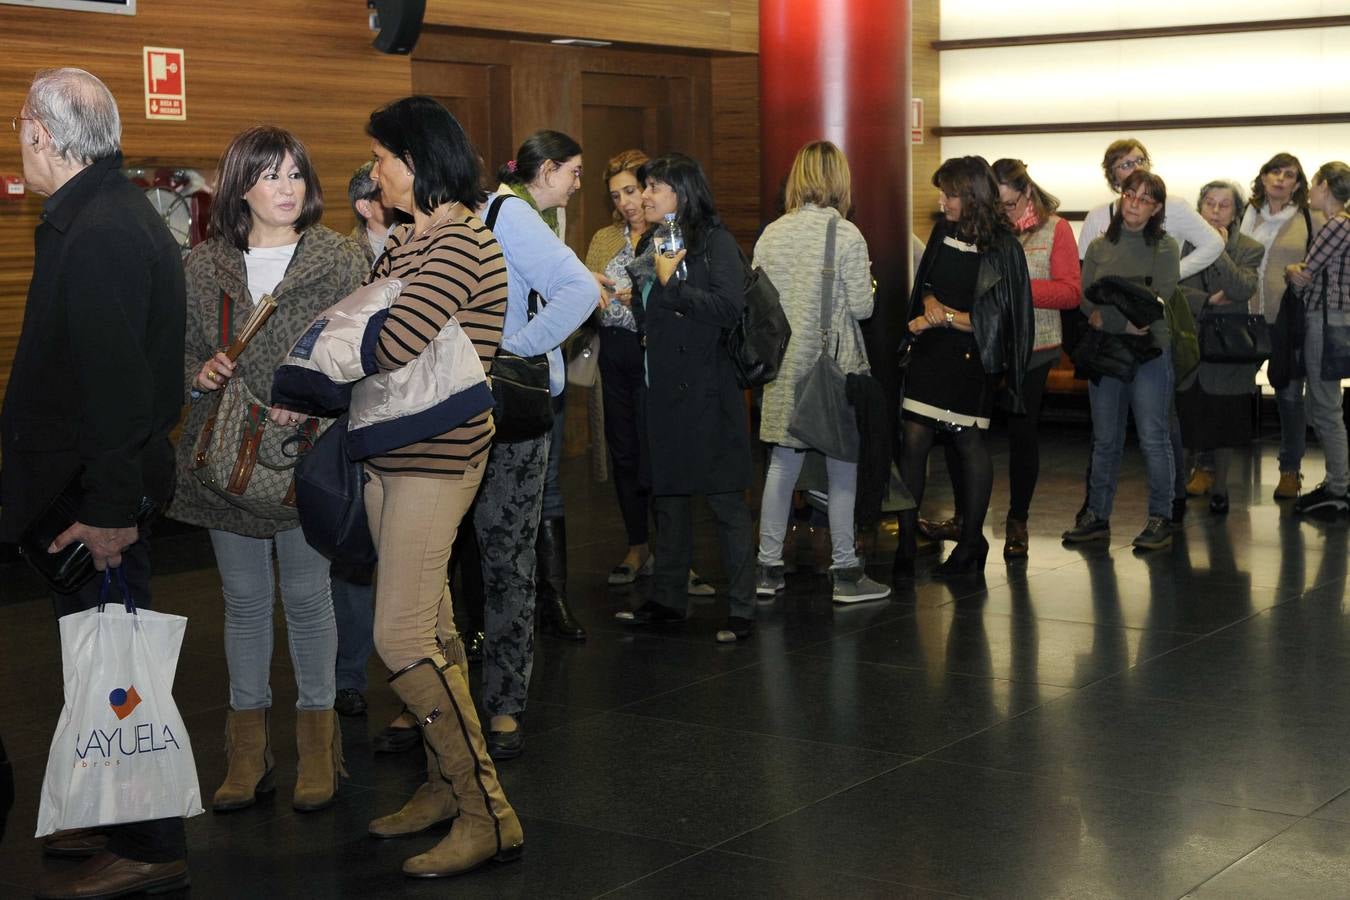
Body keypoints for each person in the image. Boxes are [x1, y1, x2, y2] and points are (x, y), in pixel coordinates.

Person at [3, 66, 188, 900]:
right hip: (82, 486)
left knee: (119, 668)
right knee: (95, 660)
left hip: (97, 497)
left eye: (20, 134)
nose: (20, 149)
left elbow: (121, 389)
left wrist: (112, 512)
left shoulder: (103, 228)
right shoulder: (99, 213)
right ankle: (109, 808)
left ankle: (149, 844)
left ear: (41, 134)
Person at [168, 125, 367, 815]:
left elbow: (363, 354)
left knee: (310, 600)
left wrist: (314, 399)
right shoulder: (202, 267)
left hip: (306, 459)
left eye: (296, 175)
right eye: (270, 174)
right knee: (244, 601)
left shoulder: (339, 259)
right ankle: (246, 752)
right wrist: (198, 373)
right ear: (239, 187)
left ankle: (319, 744)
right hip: (226, 459)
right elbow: (177, 357)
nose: (287, 188)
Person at [362, 95, 524, 876]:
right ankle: (438, 784)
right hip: (390, 450)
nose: (375, 172)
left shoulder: (460, 240)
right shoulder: (408, 239)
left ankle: (484, 810)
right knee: (433, 628)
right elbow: (372, 322)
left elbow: (388, 337)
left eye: (384, 159)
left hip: (435, 452)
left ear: (418, 162)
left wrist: (339, 335)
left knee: (398, 636)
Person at [468, 131, 599, 760]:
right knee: (506, 552)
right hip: (507, 403)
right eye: (573, 172)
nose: (578, 182)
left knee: (501, 550)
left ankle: (500, 701)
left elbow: (572, 290)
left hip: (503, 399)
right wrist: (522, 345)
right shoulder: (514, 213)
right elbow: (579, 292)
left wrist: (517, 345)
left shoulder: (510, 211)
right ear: (545, 170)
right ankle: (502, 705)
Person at [615, 152, 758, 641]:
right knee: (668, 498)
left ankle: (742, 608)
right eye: (643, 187)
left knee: (725, 503)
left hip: (707, 390)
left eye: (653, 187)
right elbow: (654, 314)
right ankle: (668, 598)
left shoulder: (715, 241)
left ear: (682, 192)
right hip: (661, 388)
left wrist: (671, 285)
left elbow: (727, 308)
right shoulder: (657, 239)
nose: (644, 197)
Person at [751, 140, 889, 603]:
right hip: (832, 371)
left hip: (782, 367)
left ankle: (768, 569)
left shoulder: (771, 233)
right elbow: (864, 308)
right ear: (839, 181)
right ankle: (846, 572)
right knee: (842, 471)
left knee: (781, 467)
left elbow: (759, 304)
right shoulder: (846, 235)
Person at [922, 159, 1080, 559]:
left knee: (1023, 435)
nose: (1004, 213)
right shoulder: (978, 228)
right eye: (998, 205)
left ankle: (1017, 521)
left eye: (1010, 206)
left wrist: (1016, 288)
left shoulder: (1055, 229)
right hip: (981, 342)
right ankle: (964, 517)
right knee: (962, 430)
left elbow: (1070, 293)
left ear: (1027, 194)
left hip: (1035, 348)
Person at [895, 156, 1033, 577]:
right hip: (932, 354)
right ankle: (903, 543)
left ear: (971, 196)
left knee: (968, 444)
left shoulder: (1004, 248)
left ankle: (971, 540)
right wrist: (931, 304)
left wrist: (948, 318)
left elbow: (1000, 321)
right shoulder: (943, 231)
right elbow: (928, 284)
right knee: (913, 443)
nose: (942, 202)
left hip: (972, 361)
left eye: (950, 194)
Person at [1063, 169, 1181, 551]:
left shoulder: (1166, 246)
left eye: (1145, 198)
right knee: (1106, 439)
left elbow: (1156, 298)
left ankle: (1161, 516)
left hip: (1149, 350)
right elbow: (1084, 297)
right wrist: (1116, 318)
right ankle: (1096, 515)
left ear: (1156, 208)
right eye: (1131, 193)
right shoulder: (1099, 246)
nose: (1134, 202)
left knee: (1153, 437)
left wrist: (1111, 314)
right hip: (1108, 352)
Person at [332, 161, 410, 722]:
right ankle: (349, 676)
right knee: (356, 554)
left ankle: (416, 681)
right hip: (354, 420)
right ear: (366, 206)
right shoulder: (345, 259)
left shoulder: (422, 247)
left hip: (411, 417)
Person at [585, 149, 655, 583]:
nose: (625, 202)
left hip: (653, 355)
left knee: (659, 450)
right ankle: (637, 544)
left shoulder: (669, 233)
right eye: (616, 195)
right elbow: (581, 295)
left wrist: (644, 297)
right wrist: (597, 297)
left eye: (631, 190)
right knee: (624, 451)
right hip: (612, 352)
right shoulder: (603, 240)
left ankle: (675, 552)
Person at [1175, 181, 1265, 514]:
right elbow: (1172, 288)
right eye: (1209, 204)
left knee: (1224, 425)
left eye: (1224, 205)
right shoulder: (1180, 245)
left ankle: (1222, 489)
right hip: (1188, 345)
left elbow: (1241, 287)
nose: (1214, 211)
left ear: (1237, 212)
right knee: (1185, 421)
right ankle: (1177, 489)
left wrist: (1219, 251)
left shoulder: (1250, 247)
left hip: (1228, 349)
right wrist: (1209, 300)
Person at [1240, 153, 1324, 500]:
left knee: (1289, 396)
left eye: (1289, 175)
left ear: (1298, 185)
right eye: (1275, 172)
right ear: (1262, 178)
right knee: (1225, 392)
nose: (1280, 179)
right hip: (1242, 316)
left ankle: (1290, 470)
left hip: (1287, 319)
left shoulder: (1311, 217)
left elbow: (1325, 263)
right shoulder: (1245, 215)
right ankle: (1208, 467)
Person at [1286, 161, 1350, 515]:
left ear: (1324, 186)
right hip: (1335, 321)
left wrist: (1292, 269)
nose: (1309, 191)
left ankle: (1339, 487)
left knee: (1325, 407)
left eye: (1312, 184)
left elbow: (1304, 276)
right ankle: (1338, 482)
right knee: (1325, 404)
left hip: (1324, 321)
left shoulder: (1335, 225)